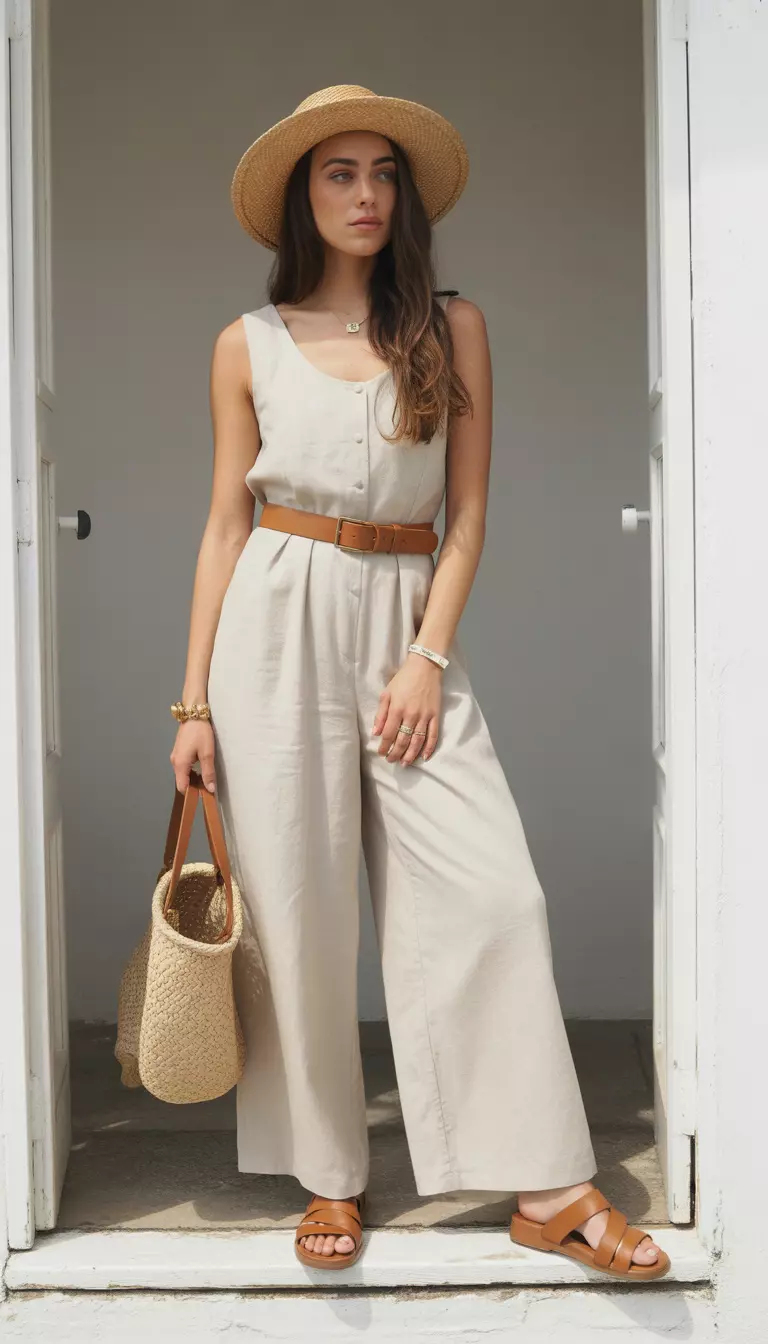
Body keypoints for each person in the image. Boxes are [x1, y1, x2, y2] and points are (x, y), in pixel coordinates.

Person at [169, 84, 670, 1282]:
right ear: (304, 197)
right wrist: (191, 702)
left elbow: (468, 513)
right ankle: (330, 1175)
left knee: (495, 896)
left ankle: (547, 1183)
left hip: (405, 620)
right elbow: (225, 527)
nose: (366, 195)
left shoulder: (451, 328)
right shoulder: (250, 342)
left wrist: (425, 660)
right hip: (272, 619)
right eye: (340, 175)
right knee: (298, 908)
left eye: (383, 173)